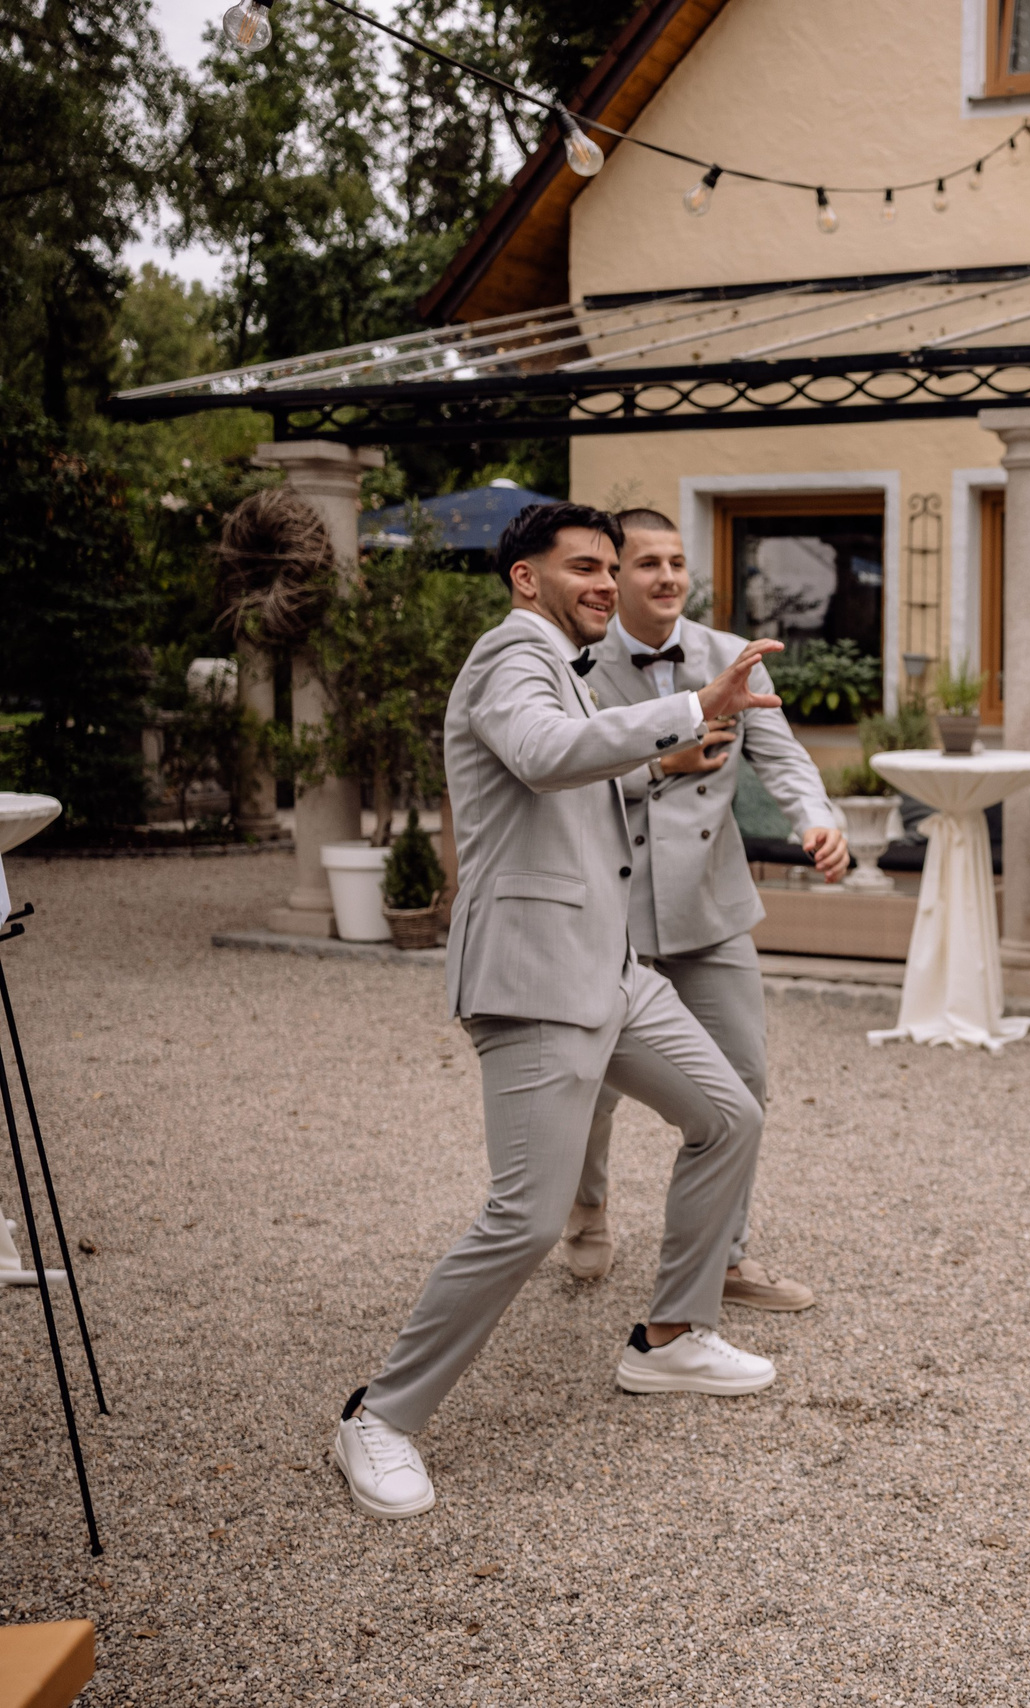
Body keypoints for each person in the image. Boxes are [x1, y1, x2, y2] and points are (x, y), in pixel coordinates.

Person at [335, 503, 788, 1521]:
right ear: (524, 580)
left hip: (610, 970)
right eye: (583, 567)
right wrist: (684, 711)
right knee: (528, 1216)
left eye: (610, 567)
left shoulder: (561, 667)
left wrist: (651, 767)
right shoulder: (510, 655)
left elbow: (565, 780)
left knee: (729, 1115)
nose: (604, 580)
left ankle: (672, 1337)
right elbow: (542, 754)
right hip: (536, 981)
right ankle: (380, 1414)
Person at [556, 507, 847, 1309]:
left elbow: (785, 758)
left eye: (677, 562)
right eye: (646, 563)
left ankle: (726, 1255)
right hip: (609, 915)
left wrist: (819, 822)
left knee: (744, 1083)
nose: (667, 577)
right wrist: (656, 763)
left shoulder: (732, 657)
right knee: (594, 1085)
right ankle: (586, 1206)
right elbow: (558, 776)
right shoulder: (574, 663)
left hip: (711, 910)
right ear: (616, 576)